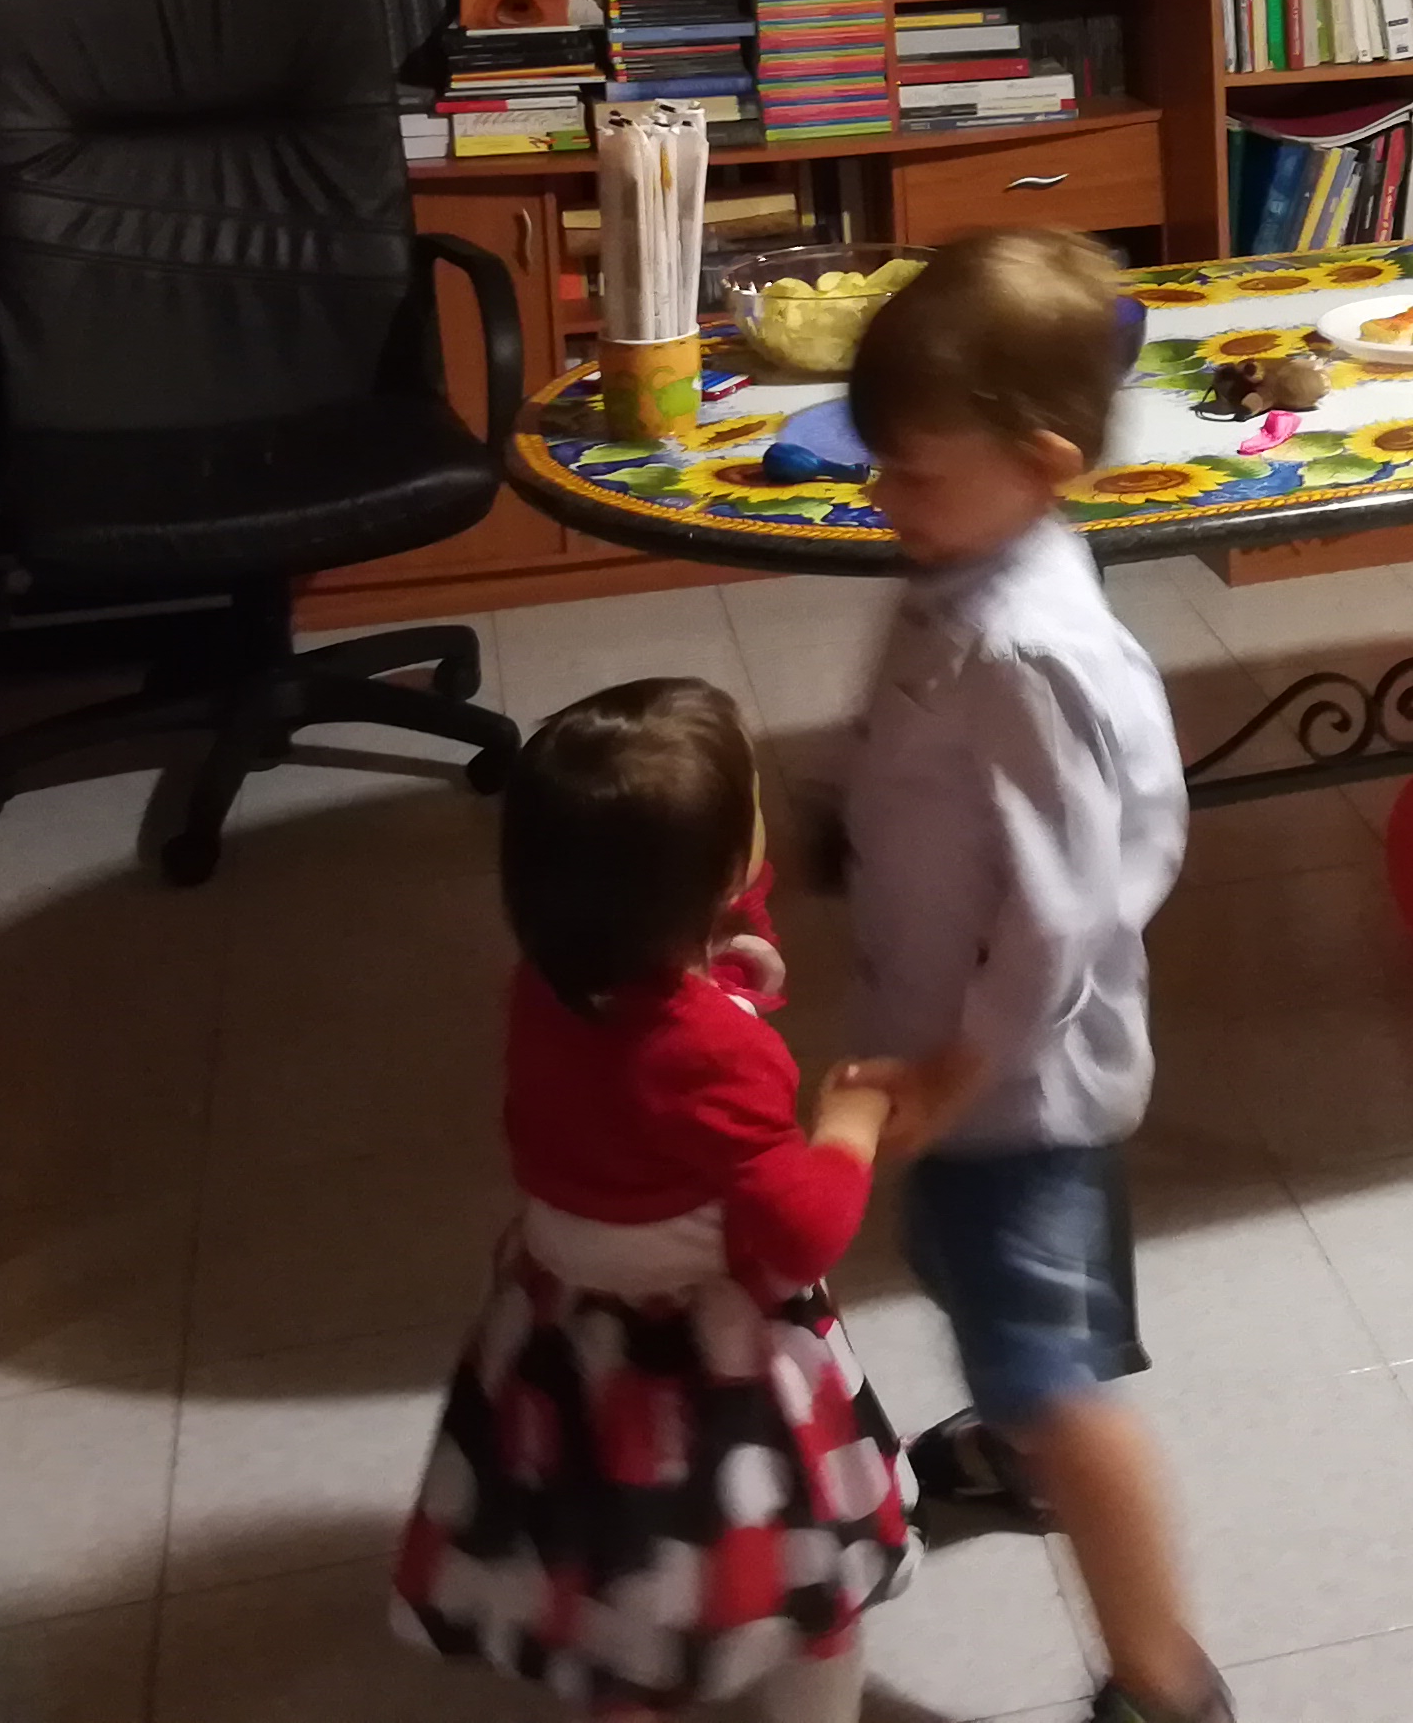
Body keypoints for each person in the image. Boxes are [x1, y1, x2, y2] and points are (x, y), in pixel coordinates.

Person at [831, 229, 1219, 1723]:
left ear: (1044, 463)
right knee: (977, 1276)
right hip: (975, 1056)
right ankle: (1011, 1436)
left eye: (912, 474)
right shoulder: (974, 558)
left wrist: (956, 1066)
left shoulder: (1026, 647)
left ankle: (1163, 1680)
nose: (883, 500)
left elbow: (1058, 917)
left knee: (1053, 1368)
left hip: (1014, 1085)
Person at [394, 680, 913, 1723]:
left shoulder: (547, 984)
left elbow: (665, 1037)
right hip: (702, 1356)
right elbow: (800, 1230)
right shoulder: (713, 1054)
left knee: (617, 1584)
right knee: (811, 1582)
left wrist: (725, 928)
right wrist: (850, 1126)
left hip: (565, 1329)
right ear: (714, 877)